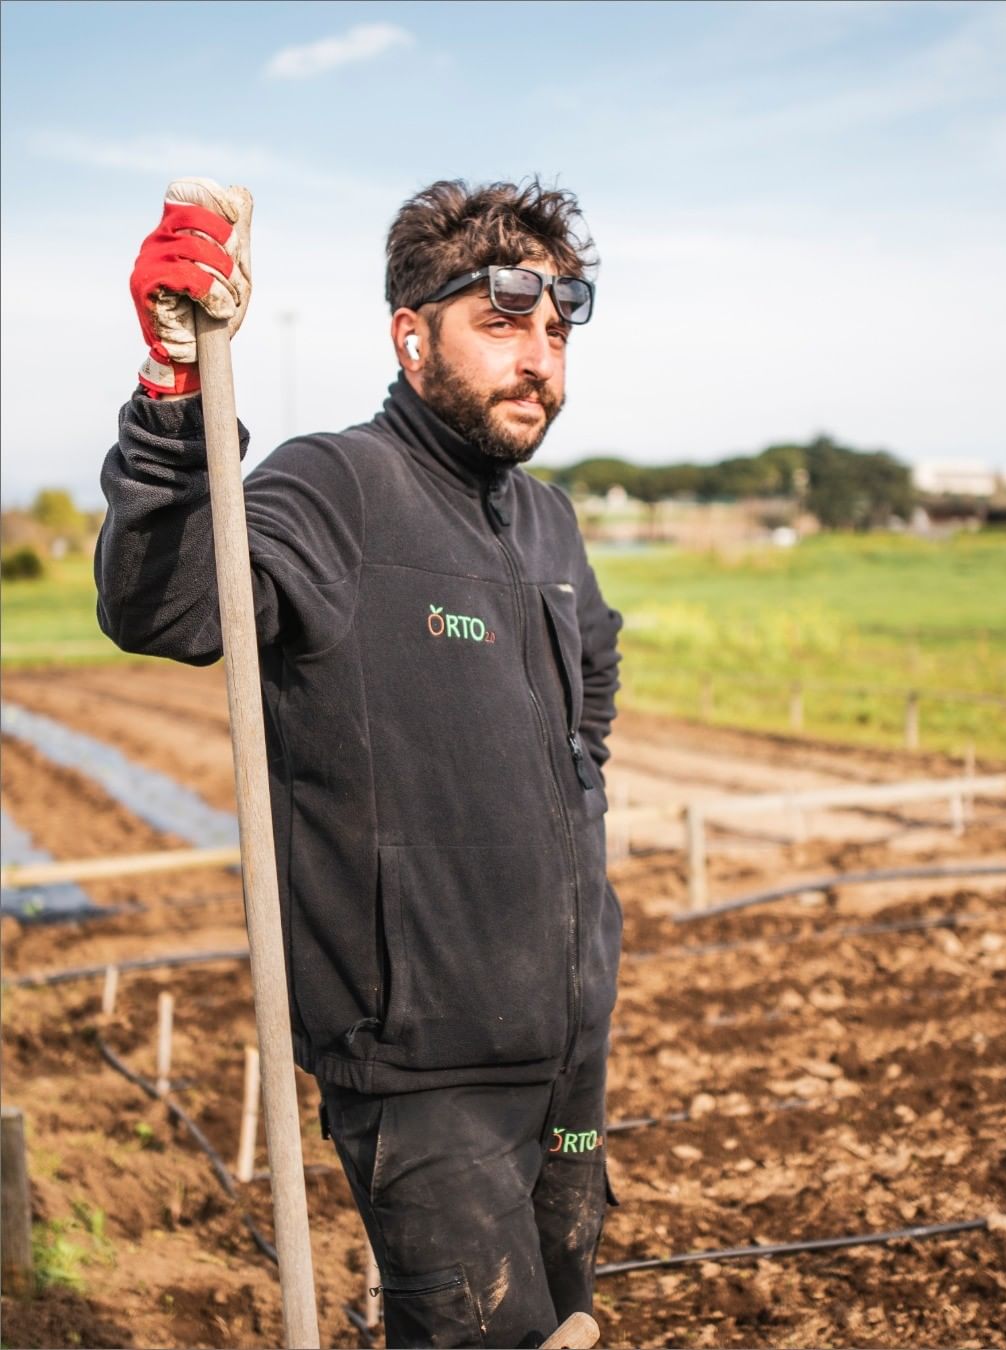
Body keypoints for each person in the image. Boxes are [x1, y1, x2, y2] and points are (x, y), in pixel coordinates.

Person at [95, 176, 623, 1349]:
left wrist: (573, 807)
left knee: (569, 1319)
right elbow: (170, 602)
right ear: (411, 333)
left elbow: (594, 672)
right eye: (502, 323)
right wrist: (179, 395)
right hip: (425, 1074)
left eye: (557, 326)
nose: (539, 356)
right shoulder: (334, 488)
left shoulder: (547, 521)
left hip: (572, 1059)